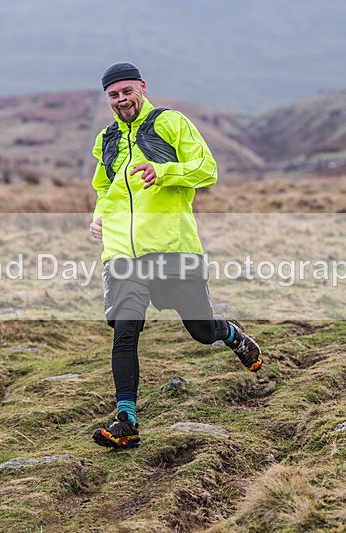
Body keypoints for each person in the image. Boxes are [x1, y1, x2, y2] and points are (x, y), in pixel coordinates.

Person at [88, 62, 263, 449]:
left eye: (126, 92)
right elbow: (104, 188)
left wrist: (163, 171)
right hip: (121, 254)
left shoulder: (170, 123)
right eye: (114, 95)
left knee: (201, 332)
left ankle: (230, 333)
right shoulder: (107, 139)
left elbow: (207, 170)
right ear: (107, 99)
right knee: (124, 332)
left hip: (171, 248)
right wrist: (99, 216)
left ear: (142, 88)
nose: (121, 100)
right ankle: (127, 422)